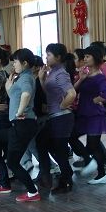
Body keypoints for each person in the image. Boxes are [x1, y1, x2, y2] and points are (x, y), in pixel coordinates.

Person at [0, 49, 40, 201]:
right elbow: (17, 97)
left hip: (23, 124)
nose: (13, 65)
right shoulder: (21, 77)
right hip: (20, 125)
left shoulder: (26, 78)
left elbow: (26, 94)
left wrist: (20, 111)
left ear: (25, 63)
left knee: (13, 162)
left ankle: (32, 192)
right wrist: (9, 89)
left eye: (15, 62)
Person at [36, 44, 76, 194]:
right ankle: (63, 172)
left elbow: (71, 94)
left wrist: (62, 106)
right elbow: (51, 93)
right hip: (54, 117)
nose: (46, 57)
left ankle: (65, 182)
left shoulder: (61, 73)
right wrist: (42, 80)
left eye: (49, 55)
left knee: (59, 150)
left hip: (62, 118)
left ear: (58, 57)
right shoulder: (53, 72)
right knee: (43, 142)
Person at [73, 45, 106, 184]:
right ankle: (89, 161)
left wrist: (96, 99)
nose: (85, 59)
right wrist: (81, 79)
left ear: (95, 58)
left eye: (87, 56)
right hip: (83, 114)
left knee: (93, 145)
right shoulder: (86, 75)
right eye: (84, 56)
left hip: (94, 116)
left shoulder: (99, 77)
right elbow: (74, 91)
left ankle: (101, 174)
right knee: (72, 136)